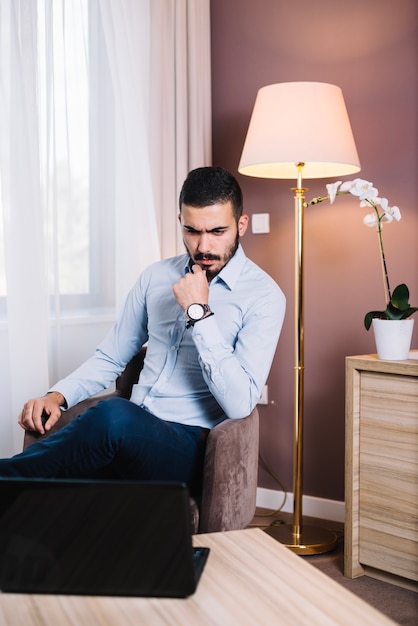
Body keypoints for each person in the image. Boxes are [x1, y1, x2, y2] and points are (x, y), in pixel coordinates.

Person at [0, 166, 286, 495]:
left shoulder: (263, 297)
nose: (203, 246)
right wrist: (56, 396)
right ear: (180, 222)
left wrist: (198, 312)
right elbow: (111, 356)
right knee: (83, 459)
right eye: (193, 231)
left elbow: (240, 404)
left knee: (112, 414)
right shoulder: (155, 277)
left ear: (241, 224)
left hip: (187, 445)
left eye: (217, 231)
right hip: (130, 429)